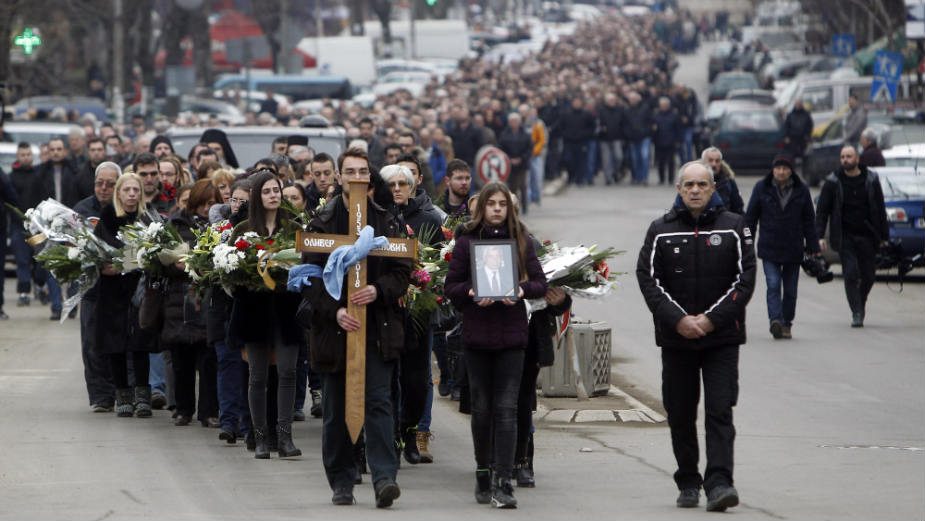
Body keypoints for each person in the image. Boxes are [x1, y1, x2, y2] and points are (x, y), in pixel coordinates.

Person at [636, 161, 755, 512]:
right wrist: (679, 320)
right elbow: (648, 279)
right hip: (677, 341)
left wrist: (710, 320)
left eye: (702, 184)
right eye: (688, 184)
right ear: (678, 189)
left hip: (721, 340)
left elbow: (745, 279)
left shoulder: (734, 226)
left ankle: (720, 483)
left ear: (713, 187)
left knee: (720, 411)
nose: (695, 190)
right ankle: (688, 479)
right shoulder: (660, 230)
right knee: (681, 412)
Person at [301, 148, 411, 507]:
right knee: (336, 408)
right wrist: (334, 311)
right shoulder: (322, 222)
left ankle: (383, 479)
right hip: (334, 330)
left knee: (379, 403)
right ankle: (342, 480)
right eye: (350, 171)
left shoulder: (386, 221)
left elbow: (401, 272)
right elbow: (310, 278)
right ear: (338, 177)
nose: (357, 177)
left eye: (363, 171)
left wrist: (378, 290)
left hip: (376, 327)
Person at [444, 182, 548, 509]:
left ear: (510, 208)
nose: (498, 209)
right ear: (482, 208)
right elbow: (452, 287)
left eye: (503, 203)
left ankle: (503, 480)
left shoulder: (521, 242)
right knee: (483, 409)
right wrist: (472, 293)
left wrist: (520, 291)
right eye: (492, 204)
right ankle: (482, 471)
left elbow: (540, 283)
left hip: (512, 336)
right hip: (478, 335)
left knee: (506, 409)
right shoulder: (466, 242)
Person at [229, 170, 304, 459]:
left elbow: (306, 264)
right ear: (258, 197)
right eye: (267, 191)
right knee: (257, 375)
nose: (274, 195)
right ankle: (260, 437)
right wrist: (253, 276)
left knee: (287, 371)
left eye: (277, 190)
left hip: (287, 308)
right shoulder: (244, 229)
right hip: (254, 309)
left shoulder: (294, 227)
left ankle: (284, 437)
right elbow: (230, 271)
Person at [380, 163, 444, 465]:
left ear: (412, 187)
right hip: (387, 313)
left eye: (402, 184)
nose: (396, 190)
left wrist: (426, 282)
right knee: (388, 379)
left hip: (419, 313)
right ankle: (390, 437)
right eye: (391, 185)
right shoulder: (378, 217)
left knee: (417, 382)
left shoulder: (429, 218)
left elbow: (444, 262)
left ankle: (410, 434)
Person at [96, 173, 162, 418]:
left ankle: (143, 395)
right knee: (115, 344)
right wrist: (121, 262)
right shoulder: (106, 217)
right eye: (128, 190)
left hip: (140, 288)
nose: (132, 194)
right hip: (111, 291)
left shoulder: (148, 218)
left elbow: (151, 251)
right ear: (119, 193)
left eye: (136, 190)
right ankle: (122, 394)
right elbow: (100, 252)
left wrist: (124, 264)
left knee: (140, 342)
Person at [744, 154, 820, 339]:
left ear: (791, 171)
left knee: (791, 289)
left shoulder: (801, 190)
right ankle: (775, 321)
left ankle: (787, 322)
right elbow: (751, 218)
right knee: (773, 284)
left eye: (785, 168)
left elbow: (809, 219)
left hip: (794, 248)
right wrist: (747, 242)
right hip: (769, 247)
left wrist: (813, 245)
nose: (781, 171)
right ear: (773, 169)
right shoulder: (762, 188)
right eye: (778, 168)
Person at [815, 145, 889, 327]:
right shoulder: (833, 181)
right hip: (844, 235)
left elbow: (880, 208)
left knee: (869, 276)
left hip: (868, 235)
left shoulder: (871, 179)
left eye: (849, 156)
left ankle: (860, 301)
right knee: (850, 273)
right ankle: (856, 312)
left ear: (857, 159)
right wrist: (819, 236)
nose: (845, 160)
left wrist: (884, 236)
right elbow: (822, 211)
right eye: (842, 157)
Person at [165, 179, 219, 427]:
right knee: (182, 358)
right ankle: (183, 408)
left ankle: (209, 411)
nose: (208, 208)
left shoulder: (221, 226)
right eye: (205, 203)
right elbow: (170, 261)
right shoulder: (177, 224)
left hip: (209, 297)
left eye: (213, 203)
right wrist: (188, 263)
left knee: (209, 360)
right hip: (181, 298)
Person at [73, 162, 121, 412]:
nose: (104, 188)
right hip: (92, 287)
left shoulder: (125, 209)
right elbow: (70, 244)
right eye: (99, 183)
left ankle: (121, 391)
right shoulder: (82, 209)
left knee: (118, 341)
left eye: (110, 184)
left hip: (120, 288)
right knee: (92, 343)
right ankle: (100, 395)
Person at [498, 113, 533, 214]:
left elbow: (529, 149)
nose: (514, 123)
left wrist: (521, 158)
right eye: (512, 121)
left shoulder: (525, 134)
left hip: (522, 164)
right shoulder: (504, 134)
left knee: (523, 186)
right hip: (509, 165)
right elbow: (500, 148)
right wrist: (509, 159)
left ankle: (525, 207)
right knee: (512, 187)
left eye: (516, 121)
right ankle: (513, 207)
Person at [701, 147, 744, 214]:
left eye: (717, 161)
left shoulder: (728, 181)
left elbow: (738, 207)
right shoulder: (694, 181)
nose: (714, 164)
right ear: (703, 162)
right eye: (710, 160)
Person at [653, 97, 681, 185]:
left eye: (665, 105)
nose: (663, 107)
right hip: (659, 142)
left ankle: (670, 179)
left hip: (671, 141)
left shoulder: (674, 115)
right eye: (662, 105)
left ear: (668, 105)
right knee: (660, 162)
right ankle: (661, 179)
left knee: (670, 162)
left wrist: (678, 140)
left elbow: (678, 128)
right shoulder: (656, 115)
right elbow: (653, 129)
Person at [783, 99, 814, 166]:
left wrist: (808, 136)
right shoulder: (790, 115)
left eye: (799, 104)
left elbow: (810, 126)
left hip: (803, 138)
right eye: (797, 104)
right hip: (792, 138)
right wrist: (786, 137)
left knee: (804, 155)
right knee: (792, 155)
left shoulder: (806, 114)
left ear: (802, 105)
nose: (798, 106)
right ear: (794, 105)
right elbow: (786, 126)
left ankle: (804, 168)